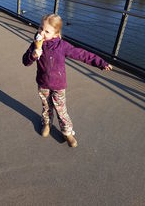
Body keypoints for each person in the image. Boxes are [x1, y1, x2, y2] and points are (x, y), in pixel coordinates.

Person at [22, 14, 112, 148]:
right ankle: (47, 123)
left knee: (61, 110)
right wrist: (33, 54)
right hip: (43, 83)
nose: (41, 32)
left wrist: (100, 63)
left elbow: (82, 54)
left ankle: (67, 132)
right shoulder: (36, 44)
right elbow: (25, 61)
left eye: (47, 31)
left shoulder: (62, 46)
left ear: (56, 33)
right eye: (41, 28)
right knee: (46, 107)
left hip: (58, 85)